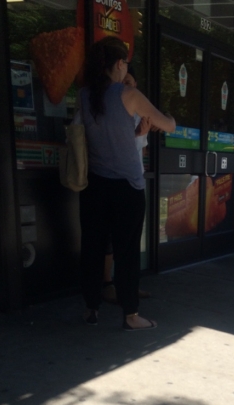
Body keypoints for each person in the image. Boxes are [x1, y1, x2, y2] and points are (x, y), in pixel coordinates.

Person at [79, 37, 175, 330]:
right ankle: (131, 315)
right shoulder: (128, 95)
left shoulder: (84, 95)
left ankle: (91, 309)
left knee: (93, 248)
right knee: (127, 252)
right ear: (120, 64)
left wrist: (134, 134)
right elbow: (168, 124)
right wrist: (168, 116)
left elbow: (99, 138)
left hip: (94, 186)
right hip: (127, 189)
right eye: (125, 64)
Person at [102, 65, 151, 304]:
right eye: (125, 83)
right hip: (114, 181)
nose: (128, 87)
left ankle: (128, 287)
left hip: (134, 181)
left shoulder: (138, 115)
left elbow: (139, 150)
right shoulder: (107, 110)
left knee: (131, 241)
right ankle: (107, 284)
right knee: (111, 239)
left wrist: (140, 134)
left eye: (131, 84)